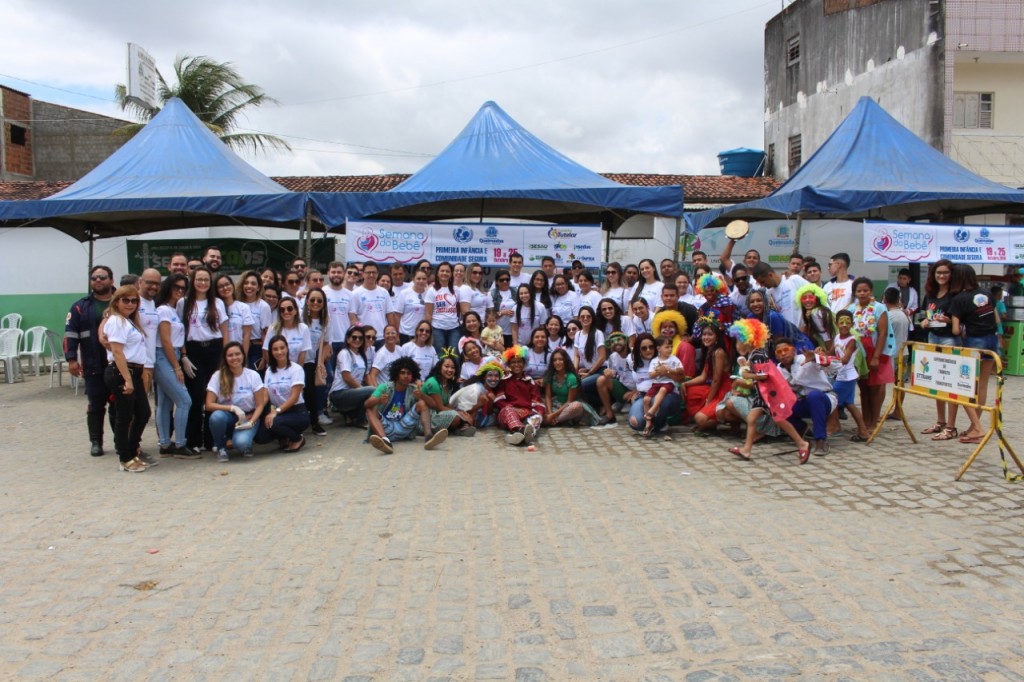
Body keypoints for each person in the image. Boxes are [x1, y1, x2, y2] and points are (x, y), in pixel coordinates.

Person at [178, 267, 229, 454]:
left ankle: (211, 439)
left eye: (206, 280)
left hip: (214, 349)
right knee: (195, 396)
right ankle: (193, 440)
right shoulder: (183, 303)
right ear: (192, 281)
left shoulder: (217, 303)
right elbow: (179, 330)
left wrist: (226, 353)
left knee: (213, 395)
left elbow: (224, 329)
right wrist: (183, 354)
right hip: (193, 351)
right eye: (199, 279)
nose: (202, 283)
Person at [66, 265, 116, 457]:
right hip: (93, 363)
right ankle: (96, 442)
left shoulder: (123, 300)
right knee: (96, 404)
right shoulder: (80, 306)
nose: (98, 281)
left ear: (111, 280)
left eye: (102, 277)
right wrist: (71, 359)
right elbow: (70, 334)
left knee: (119, 403)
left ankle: (120, 440)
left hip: (119, 362)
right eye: (94, 278)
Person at [103, 285, 153, 472]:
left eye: (134, 301)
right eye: (126, 300)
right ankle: (124, 456)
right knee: (124, 416)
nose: (130, 304)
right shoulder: (116, 321)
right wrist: (127, 379)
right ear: (116, 301)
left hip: (135, 371)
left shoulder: (129, 321)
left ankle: (132, 449)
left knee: (143, 412)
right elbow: (117, 351)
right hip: (122, 372)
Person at [716, 319, 782, 460]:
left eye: (740, 340)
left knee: (783, 423)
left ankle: (800, 443)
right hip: (758, 398)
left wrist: (745, 378)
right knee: (734, 414)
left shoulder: (758, 356)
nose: (738, 343)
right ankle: (747, 448)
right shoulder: (747, 357)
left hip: (764, 398)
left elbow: (764, 378)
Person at [950, 264, 1000, 444]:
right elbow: (996, 319)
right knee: (983, 385)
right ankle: (974, 426)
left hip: (973, 342)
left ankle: (977, 427)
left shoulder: (959, 299)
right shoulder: (987, 295)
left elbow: (955, 330)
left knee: (963, 386)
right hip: (991, 341)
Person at [365, 356, 448, 455]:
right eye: (402, 373)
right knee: (370, 410)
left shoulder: (413, 389)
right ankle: (386, 442)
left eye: (409, 373)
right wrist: (378, 400)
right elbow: (367, 404)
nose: (406, 376)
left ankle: (429, 438)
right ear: (396, 374)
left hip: (404, 426)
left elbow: (433, 405)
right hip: (385, 427)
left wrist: (422, 395)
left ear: (412, 376)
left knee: (422, 403)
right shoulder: (385, 387)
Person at [773, 337, 837, 458]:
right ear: (776, 356)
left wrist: (817, 359)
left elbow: (835, 366)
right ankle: (803, 429)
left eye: (786, 350)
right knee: (780, 406)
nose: (783, 354)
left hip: (824, 398)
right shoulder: (778, 370)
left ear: (794, 351)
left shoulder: (805, 358)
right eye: (779, 352)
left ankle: (821, 440)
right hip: (802, 401)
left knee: (814, 396)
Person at [918, 259, 961, 441]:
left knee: (950, 382)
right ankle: (940, 421)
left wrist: (949, 321)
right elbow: (922, 317)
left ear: (951, 274)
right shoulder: (930, 294)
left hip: (950, 339)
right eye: (938, 273)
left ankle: (951, 427)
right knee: (937, 382)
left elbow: (960, 322)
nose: (941, 276)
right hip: (932, 337)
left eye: (945, 272)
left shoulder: (956, 295)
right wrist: (924, 322)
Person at [205, 341, 268, 460]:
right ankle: (221, 447)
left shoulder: (253, 375)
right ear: (225, 358)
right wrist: (232, 408)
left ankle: (239, 441)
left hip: (248, 416)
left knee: (242, 444)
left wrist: (252, 421)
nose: (234, 358)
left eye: (237, 354)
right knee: (216, 417)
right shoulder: (217, 376)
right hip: (227, 416)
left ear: (243, 355)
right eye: (230, 355)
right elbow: (208, 404)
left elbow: (260, 405)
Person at [153, 274, 192, 458]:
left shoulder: (174, 309)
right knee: (184, 400)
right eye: (176, 287)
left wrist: (182, 356)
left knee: (165, 401)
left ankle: (165, 444)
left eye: (183, 288)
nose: (179, 291)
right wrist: (176, 367)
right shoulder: (163, 311)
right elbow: (166, 340)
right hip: (164, 356)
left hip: (173, 354)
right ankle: (180, 443)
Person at [848, 276, 893, 433]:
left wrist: (875, 357)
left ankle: (874, 421)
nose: (862, 293)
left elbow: (883, 333)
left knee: (875, 387)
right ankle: (864, 421)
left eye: (865, 290)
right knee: (863, 387)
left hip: (874, 349)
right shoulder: (852, 309)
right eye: (859, 291)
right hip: (859, 351)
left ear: (871, 291)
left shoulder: (880, 308)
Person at [254, 334, 309, 456]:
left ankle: (297, 438)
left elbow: (294, 397)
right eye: (275, 349)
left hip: (297, 412)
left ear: (287, 348)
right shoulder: (269, 371)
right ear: (271, 352)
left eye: (282, 348)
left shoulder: (296, 369)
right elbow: (265, 395)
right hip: (280, 413)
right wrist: (255, 413)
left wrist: (276, 412)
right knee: (260, 437)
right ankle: (283, 437)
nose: (279, 352)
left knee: (275, 422)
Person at [682, 318, 733, 432]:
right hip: (714, 388)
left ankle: (721, 420)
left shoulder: (718, 352)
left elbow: (716, 380)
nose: (706, 337)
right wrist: (685, 383)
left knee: (700, 419)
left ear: (717, 337)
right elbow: (704, 376)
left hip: (723, 391)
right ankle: (709, 418)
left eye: (710, 334)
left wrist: (708, 401)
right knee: (689, 390)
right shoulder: (710, 350)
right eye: (704, 334)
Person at [626, 333, 682, 436]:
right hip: (644, 396)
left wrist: (668, 372)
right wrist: (634, 390)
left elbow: (681, 378)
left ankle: (659, 423)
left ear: (656, 347)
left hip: (667, 394)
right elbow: (634, 379)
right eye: (644, 348)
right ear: (638, 349)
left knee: (661, 400)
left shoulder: (665, 357)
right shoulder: (632, 359)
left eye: (651, 347)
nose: (648, 350)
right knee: (635, 423)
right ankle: (650, 423)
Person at [493, 346, 545, 445]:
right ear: (509, 364)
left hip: (527, 413)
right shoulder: (504, 380)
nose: (516, 365)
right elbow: (499, 401)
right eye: (513, 362)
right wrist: (514, 409)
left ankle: (523, 433)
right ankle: (521, 430)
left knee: (537, 417)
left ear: (524, 363)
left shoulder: (530, 381)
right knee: (508, 410)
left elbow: (537, 402)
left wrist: (536, 413)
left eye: (519, 362)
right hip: (508, 413)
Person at [833, 310, 871, 442]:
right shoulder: (837, 337)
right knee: (850, 404)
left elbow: (845, 359)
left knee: (832, 401)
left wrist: (829, 360)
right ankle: (863, 432)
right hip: (842, 375)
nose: (844, 325)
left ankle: (833, 428)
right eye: (841, 322)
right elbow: (830, 352)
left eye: (847, 322)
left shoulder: (852, 340)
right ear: (836, 323)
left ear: (852, 324)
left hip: (847, 377)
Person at [542, 348, 601, 427]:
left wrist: (552, 416)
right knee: (538, 404)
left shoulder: (571, 377)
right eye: (555, 360)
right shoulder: (550, 375)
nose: (557, 362)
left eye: (560, 360)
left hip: (568, 406)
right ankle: (557, 420)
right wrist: (550, 413)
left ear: (565, 361)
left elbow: (570, 401)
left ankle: (554, 421)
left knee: (576, 406)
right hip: (555, 405)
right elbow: (548, 396)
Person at [301, 287, 333, 435]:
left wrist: (320, 362)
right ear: (307, 301)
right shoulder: (300, 319)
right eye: (312, 300)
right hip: (296, 360)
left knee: (311, 391)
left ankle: (314, 423)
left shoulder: (325, 320)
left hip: (311, 361)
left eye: (319, 300)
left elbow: (326, 342)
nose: (315, 303)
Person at [421, 353, 475, 436]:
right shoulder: (433, 383)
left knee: (464, 414)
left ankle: (459, 428)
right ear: (440, 368)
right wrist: (460, 415)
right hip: (428, 419)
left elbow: (447, 405)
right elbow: (440, 408)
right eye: (446, 366)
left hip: (439, 415)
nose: (450, 370)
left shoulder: (449, 383)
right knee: (456, 417)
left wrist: (463, 413)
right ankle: (459, 428)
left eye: (453, 367)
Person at [641, 337, 682, 436]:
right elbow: (651, 374)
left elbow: (680, 370)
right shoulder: (654, 361)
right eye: (667, 347)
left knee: (663, 390)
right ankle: (648, 423)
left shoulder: (674, 359)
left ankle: (652, 411)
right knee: (646, 399)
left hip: (668, 383)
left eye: (671, 347)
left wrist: (669, 371)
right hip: (656, 384)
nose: (670, 349)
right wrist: (658, 371)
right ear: (659, 349)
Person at [595, 331, 637, 424]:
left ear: (625, 341)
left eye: (619, 339)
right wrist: (608, 373)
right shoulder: (612, 357)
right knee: (601, 380)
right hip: (623, 388)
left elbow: (645, 376)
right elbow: (613, 374)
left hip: (639, 390)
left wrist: (636, 391)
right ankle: (610, 415)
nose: (616, 343)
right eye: (612, 341)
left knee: (635, 419)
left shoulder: (635, 354)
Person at [751, 262, 809, 328]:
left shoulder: (793, 280)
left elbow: (815, 293)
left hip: (803, 333)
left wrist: (807, 325)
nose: (762, 285)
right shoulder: (768, 293)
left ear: (770, 275)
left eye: (763, 282)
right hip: (787, 334)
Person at [350, 262, 396, 343]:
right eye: (368, 272)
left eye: (374, 272)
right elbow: (353, 317)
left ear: (377, 274)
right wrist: (362, 330)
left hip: (382, 337)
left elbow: (390, 315)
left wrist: (392, 333)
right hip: (364, 338)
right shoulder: (355, 293)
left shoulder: (384, 292)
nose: (371, 275)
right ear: (363, 274)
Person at [424, 262, 463, 355]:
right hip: (437, 328)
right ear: (437, 273)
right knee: (440, 356)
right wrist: (428, 330)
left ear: (451, 274)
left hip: (454, 328)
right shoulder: (431, 290)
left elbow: (459, 309)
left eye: (447, 271)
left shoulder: (456, 290)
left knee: (454, 356)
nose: (444, 273)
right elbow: (428, 313)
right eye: (442, 271)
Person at [262, 296, 312, 368]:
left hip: (295, 370)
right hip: (276, 369)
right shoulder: (273, 328)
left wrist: (295, 371)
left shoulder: (303, 328)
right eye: (282, 310)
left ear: (295, 311)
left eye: (289, 309)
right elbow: (266, 351)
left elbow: (302, 354)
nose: (286, 312)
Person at [238, 271, 274, 370]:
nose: (249, 286)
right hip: (238, 346)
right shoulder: (237, 303)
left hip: (255, 349)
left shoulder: (263, 306)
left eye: (253, 284)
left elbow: (266, 333)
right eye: (246, 283)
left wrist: (264, 356)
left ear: (258, 287)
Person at [214, 274, 253, 359]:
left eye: (227, 284)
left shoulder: (243, 307)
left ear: (232, 285)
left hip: (238, 352)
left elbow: (247, 334)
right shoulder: (215, 308)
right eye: (220, 286)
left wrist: (244, 356)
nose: (225, 288)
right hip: (218, 352)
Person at [137, 268, 162, 395]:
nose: (153, 286)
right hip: (135, 364)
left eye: (157, 284)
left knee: (142, 407)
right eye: (150, 282)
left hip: (149, 362)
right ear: (140, 282)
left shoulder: (153, 303)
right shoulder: (131, 301)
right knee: (134, 408)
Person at [394, 268, 429, 344]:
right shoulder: (404, 293)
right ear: (413, 279)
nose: (421, 281)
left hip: (422, 334)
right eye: (418, 278)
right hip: (405, 333)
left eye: (424, 279)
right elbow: (397, 315)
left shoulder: (429, 294)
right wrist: (396, 334)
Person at [798, 283, 835, 353]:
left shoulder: (816, 313)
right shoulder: (819, 311)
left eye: (811, 297)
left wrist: (829, 354)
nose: (807, 300)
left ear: (817, 298)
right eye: (804, 298)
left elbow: (827, 337)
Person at [489, 269, 516, 349]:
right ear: (496, 282)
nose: (505, 282)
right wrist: (503, 313)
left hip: (514, 332)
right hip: (498, 332)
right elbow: (490, 316)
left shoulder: (516, 291)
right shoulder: (491, 294)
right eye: (501, 280)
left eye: (507, 279)